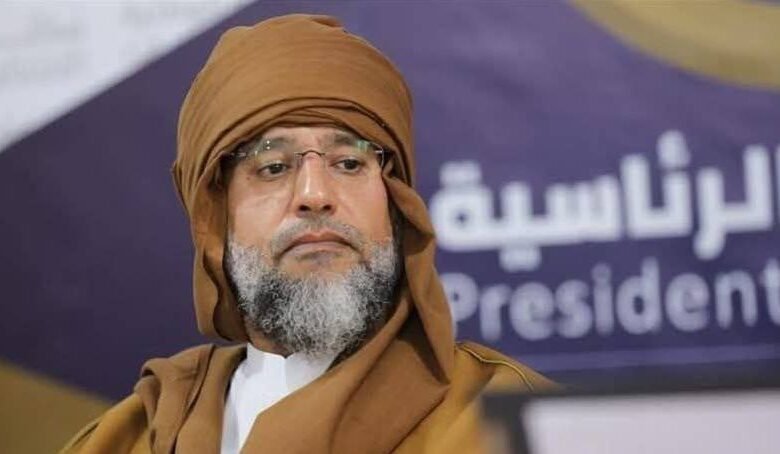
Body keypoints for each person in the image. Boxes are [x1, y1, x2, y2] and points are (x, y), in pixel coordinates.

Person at [62, 14, 555, 454]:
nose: (315, 194)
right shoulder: (130, 440)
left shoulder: (517, 427)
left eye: (349, 163)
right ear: (215, 216)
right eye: (273, 167)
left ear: (397, 204)